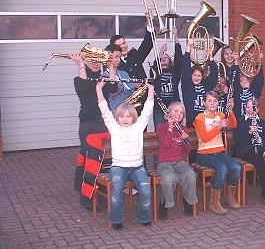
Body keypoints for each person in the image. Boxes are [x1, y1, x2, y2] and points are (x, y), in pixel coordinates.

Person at [96, 78, 154, 230]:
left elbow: (148, 109)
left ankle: (144, 216)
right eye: (122, 116)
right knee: (116, 191)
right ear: (117, 117)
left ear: (133, 116)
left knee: (146, 191)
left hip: (137, 167)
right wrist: (98, 90)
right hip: (118, 168)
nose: (125, 119)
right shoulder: (114, 127)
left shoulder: (139, 126)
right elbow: (104, 109)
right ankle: (116, 220)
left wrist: (150, 89)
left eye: (128, 116)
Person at [70, 52, 117, 210]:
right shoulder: (80, 80)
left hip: (103, 124)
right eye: (92, 60)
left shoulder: (102, 78)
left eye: (97, 60)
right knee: (88, 161)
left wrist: (111, 67)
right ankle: (86, 197)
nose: (96, 63)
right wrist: (81, 64)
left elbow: (113, 86)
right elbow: (83, 87)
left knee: (104, 161)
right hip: (88, 125)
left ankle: (102, 193)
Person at [193, 91, 241, 214]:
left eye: (215, 100)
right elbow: (204, 137)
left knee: (236, 167)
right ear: (204, 103)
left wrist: (231, 110)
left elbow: (234, 124)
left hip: (219, 152)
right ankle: (214, 202)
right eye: (209, 100)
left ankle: (230, 197)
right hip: (204, 154)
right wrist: (218, 127)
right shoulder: (200, 118)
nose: (212, 103)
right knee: (222, 168)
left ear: (218, 103)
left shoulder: (220, 115)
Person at [233, 98, 265, 206]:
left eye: (253, 108)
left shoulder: (263, 123)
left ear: (258, 109)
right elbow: (238, 140)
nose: (250, 110)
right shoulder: (240, 122)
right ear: (245, 108)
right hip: (247, 151)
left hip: (262, 150)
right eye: (248, 107)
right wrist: (249, 132)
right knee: (263, 165)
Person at [156, 102, 198, 220]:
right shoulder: (161, 127)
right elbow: (165, 145)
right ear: (169, 113)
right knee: (170, 177)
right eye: (176, 111)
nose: (178, 114)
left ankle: (188, 201)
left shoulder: (183, 129)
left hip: (178, 161)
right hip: (164, 162)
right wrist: (170, 127)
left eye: (181, 112)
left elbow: (187, 150)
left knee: (190, 174)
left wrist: (185, 140)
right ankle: (164, 204)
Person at [181, 37, 218, 127]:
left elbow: (214, 74)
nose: (196, 78)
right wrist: (188, 47)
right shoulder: (187, 85)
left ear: (202, 77)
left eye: (199, 76)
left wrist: (211, 58)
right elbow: (185, 67)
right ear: (191, 76)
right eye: (194, 75)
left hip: (207, 122)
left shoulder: (206, 86)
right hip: (192, 123)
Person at [151, 26, 182, 127]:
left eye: (166, 57)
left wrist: (176, 37)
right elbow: (154, 69)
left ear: (170, 61)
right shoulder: (157, 71)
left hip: (174, 107)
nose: (163, 57)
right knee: (160, 131)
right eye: (162, 57)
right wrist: (160, 52)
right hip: (159, 107)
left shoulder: (174, 72)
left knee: (176, 130)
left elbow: (179, 58)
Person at [102, 43, 136, 113]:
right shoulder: (103, 76)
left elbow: (132, 92)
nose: (119, 60)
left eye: (119, 57)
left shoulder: (124, 73)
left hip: (127, 112)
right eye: (116, 57)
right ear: (108, 58)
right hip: (111, 114)